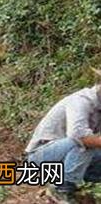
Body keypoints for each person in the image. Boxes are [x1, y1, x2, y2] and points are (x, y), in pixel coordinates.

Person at [26, 69, 101, 203]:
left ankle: (69, 185)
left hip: (65, 156)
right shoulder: (81, 100)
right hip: (39, 158)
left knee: (91, 145)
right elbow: (78, 135)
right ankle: (62, 188)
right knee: (85, 141)